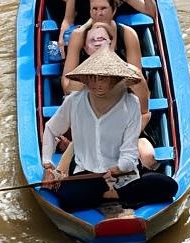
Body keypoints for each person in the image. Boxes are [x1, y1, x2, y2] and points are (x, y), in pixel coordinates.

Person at [41, 49, 178, 214]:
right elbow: (50, 129)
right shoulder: (74, 101)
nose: (97, 84)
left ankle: (113, 195)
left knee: (167, 185)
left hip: (124, 176)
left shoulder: (131, 104)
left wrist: (117, 169)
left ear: (115, 80)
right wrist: (48, 164)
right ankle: (114, 196)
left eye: (103, 79)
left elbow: (129, 150)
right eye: (92, 78)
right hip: (88, 175)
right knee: (69, 195)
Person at [62, 0, 155, 164]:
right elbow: (66, 84)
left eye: (103, 9)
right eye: (94, 9)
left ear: (114, 10)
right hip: (88, 103)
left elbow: (136, 81)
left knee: (145, 156)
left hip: (120, 106)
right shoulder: (79, 35)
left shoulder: (127, 34)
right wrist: (91, 75)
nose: (98, 14)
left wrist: (111, 71)